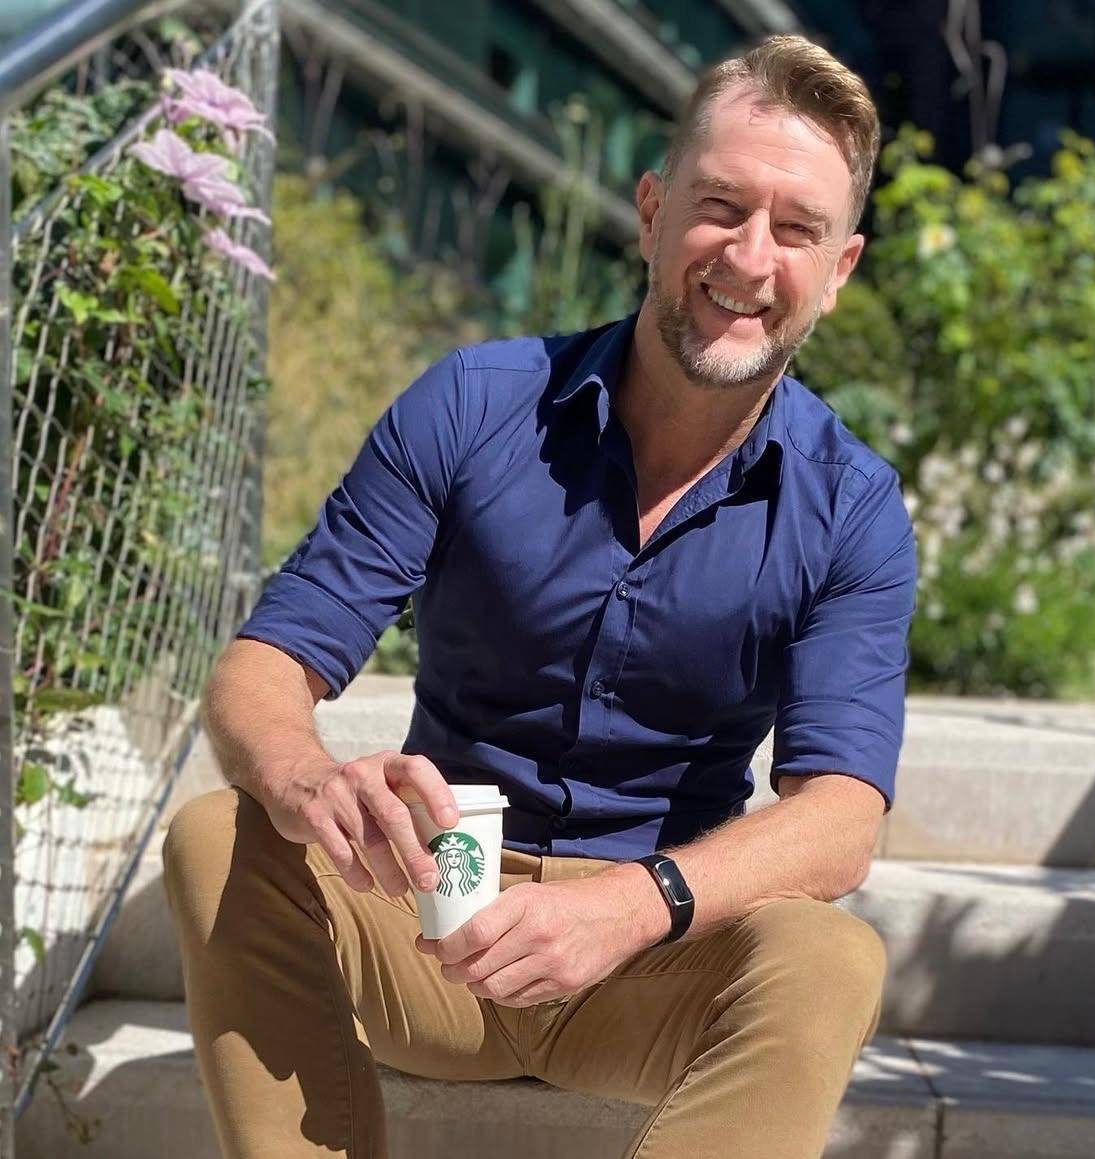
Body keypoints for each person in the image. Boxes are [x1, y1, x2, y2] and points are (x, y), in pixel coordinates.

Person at [162, 33, 916, 1159]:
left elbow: (842, 818)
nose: (750, 257)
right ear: (652, 212)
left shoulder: (850, 505)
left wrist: (628, 905)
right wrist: (306, 778)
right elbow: (263, 666)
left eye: (796, 229)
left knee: (833, 957)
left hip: (650, 959)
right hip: (434, 917)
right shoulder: (475, 404)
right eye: (719, 207)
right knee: (221, 832)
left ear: (840, 267)